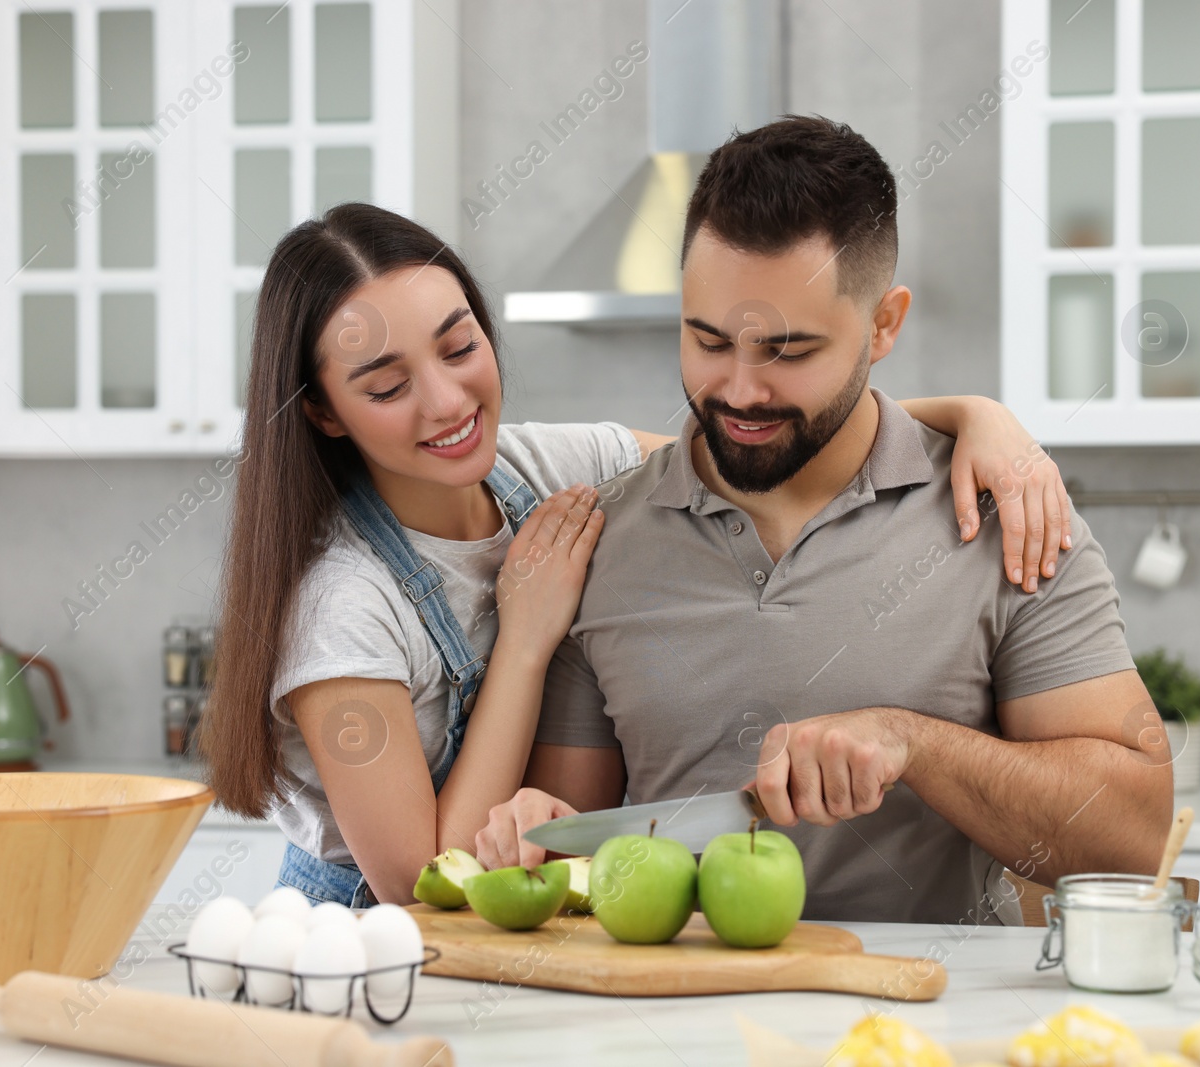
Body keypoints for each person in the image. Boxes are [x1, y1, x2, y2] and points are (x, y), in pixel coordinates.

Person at [198, 201, 1074, 907]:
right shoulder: (342, 603)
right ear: (321, 411)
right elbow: (428, 879)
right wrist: (528, 637)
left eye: (461, 346)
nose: (446, 399)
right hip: (362, 954)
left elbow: (764, 443)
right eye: (387, 385)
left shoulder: (542, 466)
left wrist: (972, 417)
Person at [477, 116, 1172, 925]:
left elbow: (1133, 839)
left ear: (884, 323)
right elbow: (574, 859)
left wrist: (914, 743)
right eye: (707, 340)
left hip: (922, 1032)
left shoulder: (1007, 511)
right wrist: (534, 832)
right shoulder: (601, 545)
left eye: (790, 351)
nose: (738, 390)